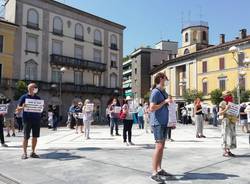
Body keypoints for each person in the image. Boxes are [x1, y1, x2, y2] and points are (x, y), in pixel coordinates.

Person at [149, 72, 171, 183]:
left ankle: (159, 168)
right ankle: (154, 172)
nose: (167, 80)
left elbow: (165, 105)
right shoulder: (155, 92)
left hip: (164, 122)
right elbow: (151, 108)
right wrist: (164, 102)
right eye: (166, 78)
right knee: (158, 147)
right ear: (161, 79)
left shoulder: (164, 92)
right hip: (157, 122)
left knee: (162, 147)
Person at [16, 83, 42, 159]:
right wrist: (22, 107)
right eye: (34, 87)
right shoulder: (24, 97)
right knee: (26, 137)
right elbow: (18, 108)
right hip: (27, 119)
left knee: (35, 137)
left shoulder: (38, 98)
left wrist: (41, 107)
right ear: (30, 89)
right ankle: (24, 153)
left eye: (35, 87)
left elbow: (40, 108)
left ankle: (33, 152)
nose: (36, 88)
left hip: (36, 119)